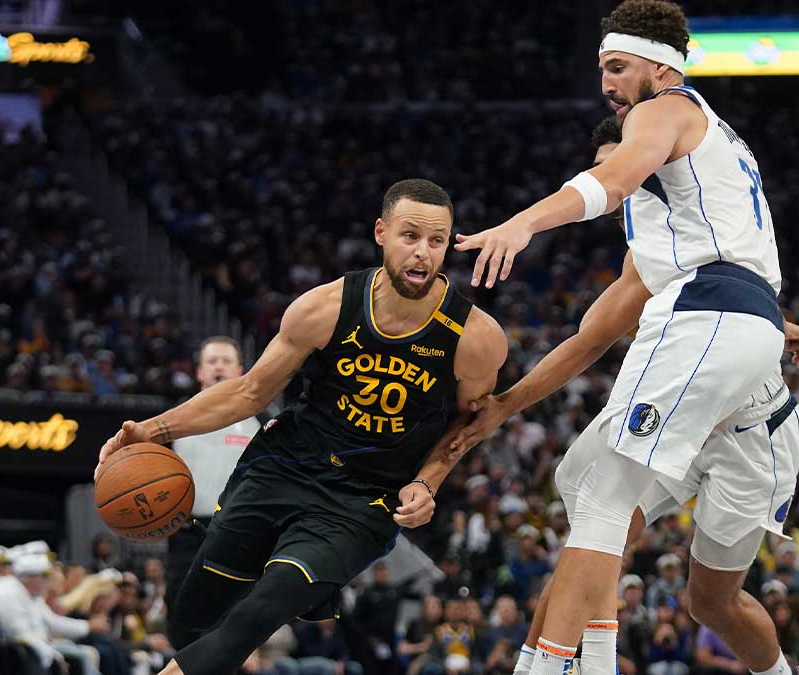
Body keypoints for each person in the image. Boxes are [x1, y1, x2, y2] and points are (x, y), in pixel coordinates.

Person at [457, 1, 794, 673]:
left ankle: (545, 667)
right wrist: (505, 404)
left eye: (617, 67)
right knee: (585, 481)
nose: (607, 84)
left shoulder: (666, 108)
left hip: (719, 335)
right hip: (735, 323)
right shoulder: (683, 202)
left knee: (604, 490)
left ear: (660, 66)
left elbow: (613, 180)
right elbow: (590, 337)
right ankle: (598, 660)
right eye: (601, 70)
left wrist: (522, 224)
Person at [95, 179, 508, 675]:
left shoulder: (476, 338)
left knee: (264, 607)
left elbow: (469, 421)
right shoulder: (325, 307)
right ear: (381, 232)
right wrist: (153, 430)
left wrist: (429, 479)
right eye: (410, 236)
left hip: (364, 497)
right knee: (194, 616)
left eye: (436, 241)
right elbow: (250, 392)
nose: (422, 253)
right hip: (286, 465)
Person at [165, 336, 263, 623]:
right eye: (212, 361)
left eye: (226, 361)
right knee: (183, 609)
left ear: (240, 371)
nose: (219, 367)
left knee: (232, 614)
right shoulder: (175, 417)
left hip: (238, 530)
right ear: (199, 372)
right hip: (187, 530)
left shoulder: (260, 419)